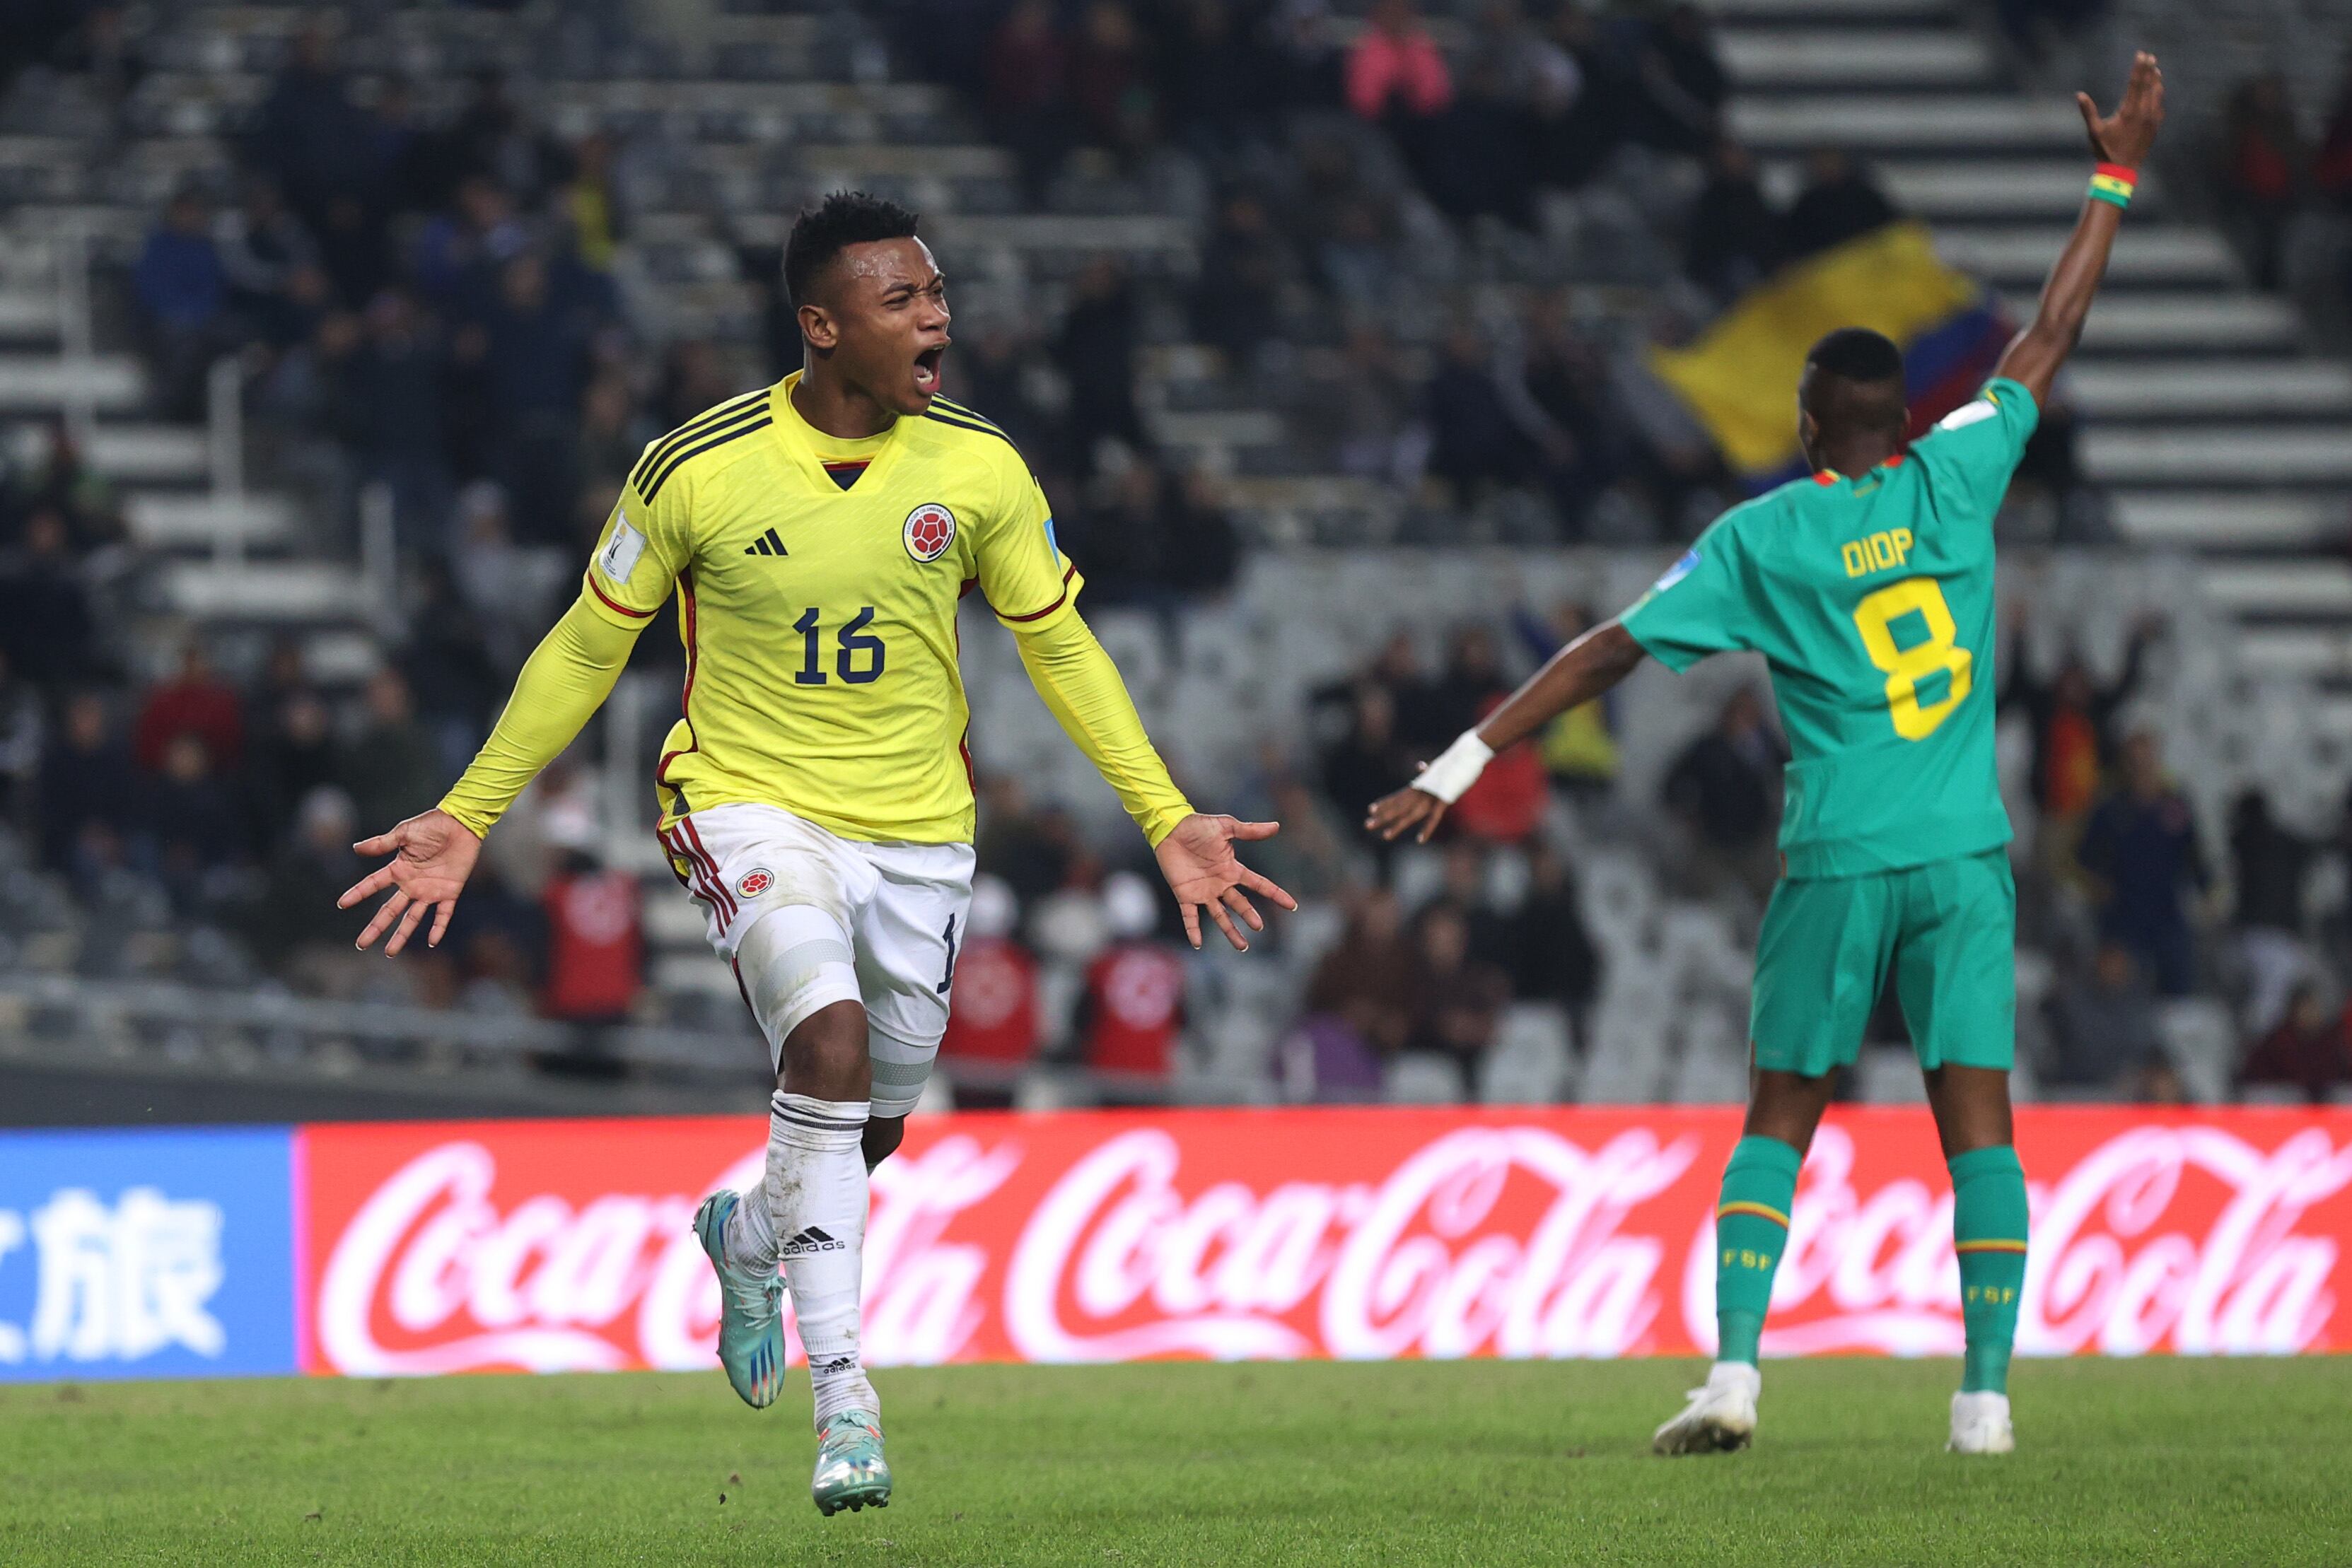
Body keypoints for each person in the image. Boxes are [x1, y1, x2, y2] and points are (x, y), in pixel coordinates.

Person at [336, 192, 1293, 1515]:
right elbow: (586, 641)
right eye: (902, 300)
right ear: (822, 326)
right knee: (826, 1045)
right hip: (744, 803)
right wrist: (472, 809)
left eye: (937, 292)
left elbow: (1057, 645)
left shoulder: (980, 468)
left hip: (918, 835)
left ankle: (749, 1226)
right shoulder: (697, 467)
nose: (936, 315)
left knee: (871, 1123)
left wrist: (1162, 811)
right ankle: (846, 1397)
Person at [1368, 57, 2165, 1459]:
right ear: (1902, 420)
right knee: (1977, 1124)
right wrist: (2112, 177)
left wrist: (1456, 754)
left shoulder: (1761, 538)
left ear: (1805, 434)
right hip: (1964, 854)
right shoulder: (1960, 468)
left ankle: (1734, 1373)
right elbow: (2049, 329)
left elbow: (1610, 646)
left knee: (1781, 1115)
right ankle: (1982, 1401)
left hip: (1838, 857)